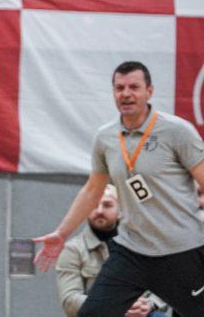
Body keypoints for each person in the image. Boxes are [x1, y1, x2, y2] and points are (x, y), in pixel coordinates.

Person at [34, 61, 204, 316]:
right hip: (132, 251)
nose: (126, 94)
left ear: (149, 91)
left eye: (134, 87)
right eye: (119, 88)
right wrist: (62, 233)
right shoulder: (106, 137)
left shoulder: (177, 131)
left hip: (181, 250)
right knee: (92, 313)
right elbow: (93, 189)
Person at [56, 185, 170, 317]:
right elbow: (69, 301)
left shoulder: (143, 243)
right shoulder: (73, 249)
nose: (99, 211)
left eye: (107, 205)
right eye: (94, 205)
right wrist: (116, 305)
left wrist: (149, 304)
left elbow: (166, 285)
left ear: (121, 210)